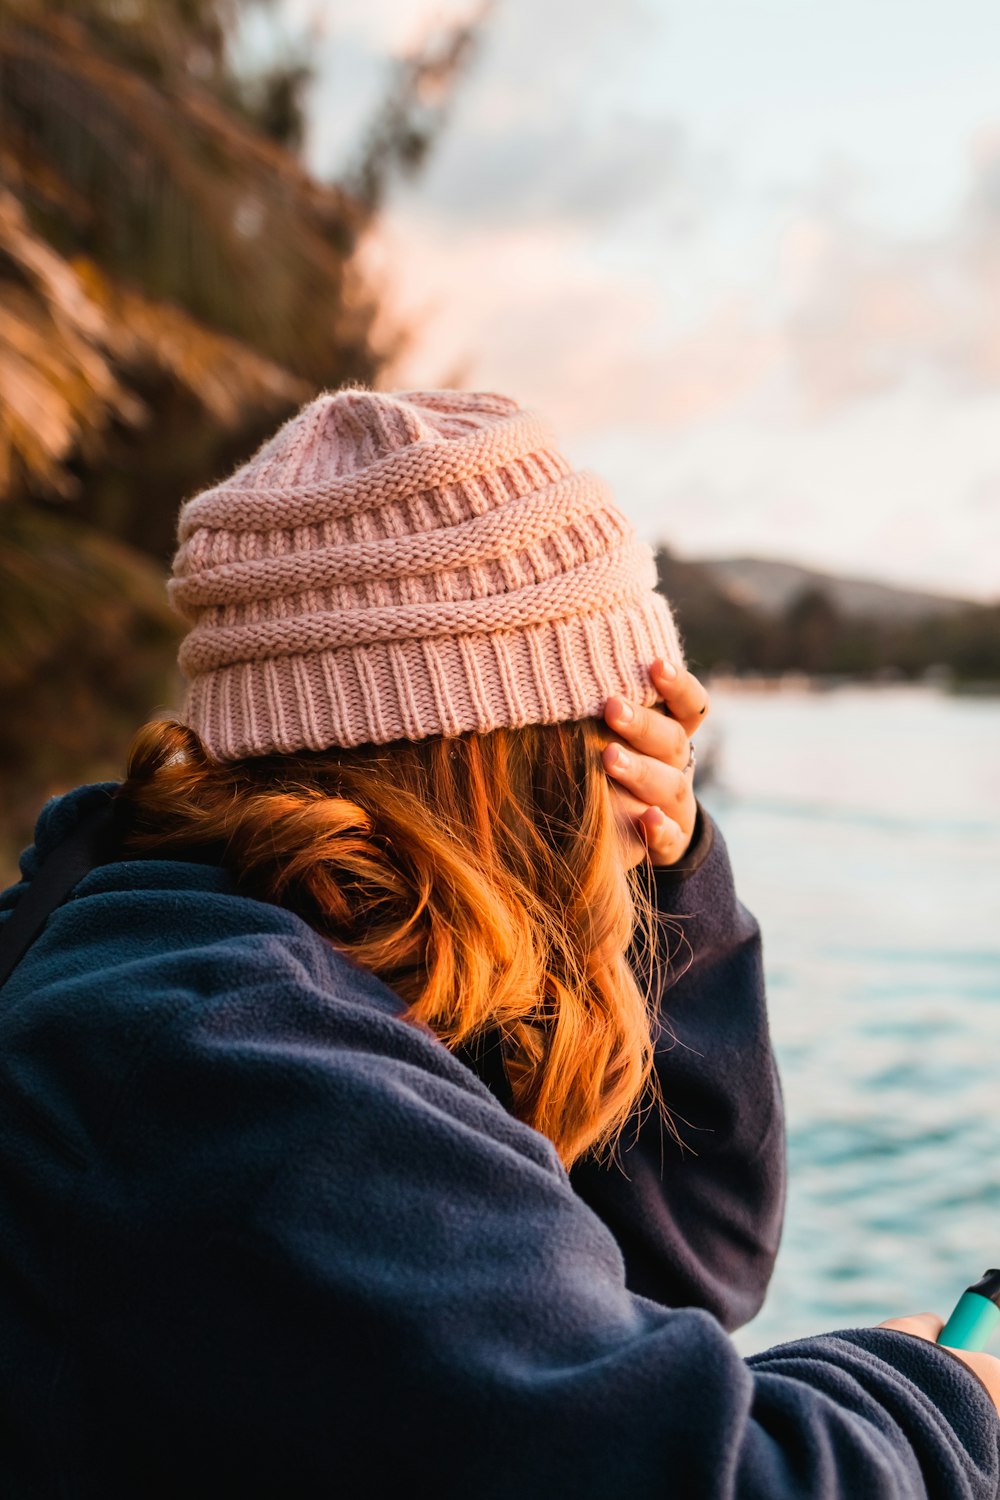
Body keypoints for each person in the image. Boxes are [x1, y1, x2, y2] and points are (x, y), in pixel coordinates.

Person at [0, 386, 997, 1498]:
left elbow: (678, 1274)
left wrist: (665, 886)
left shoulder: (277, 960)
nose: (663, 756)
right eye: (620, 718)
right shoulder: (225, 1067)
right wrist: (942, 1395)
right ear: (514, 756)